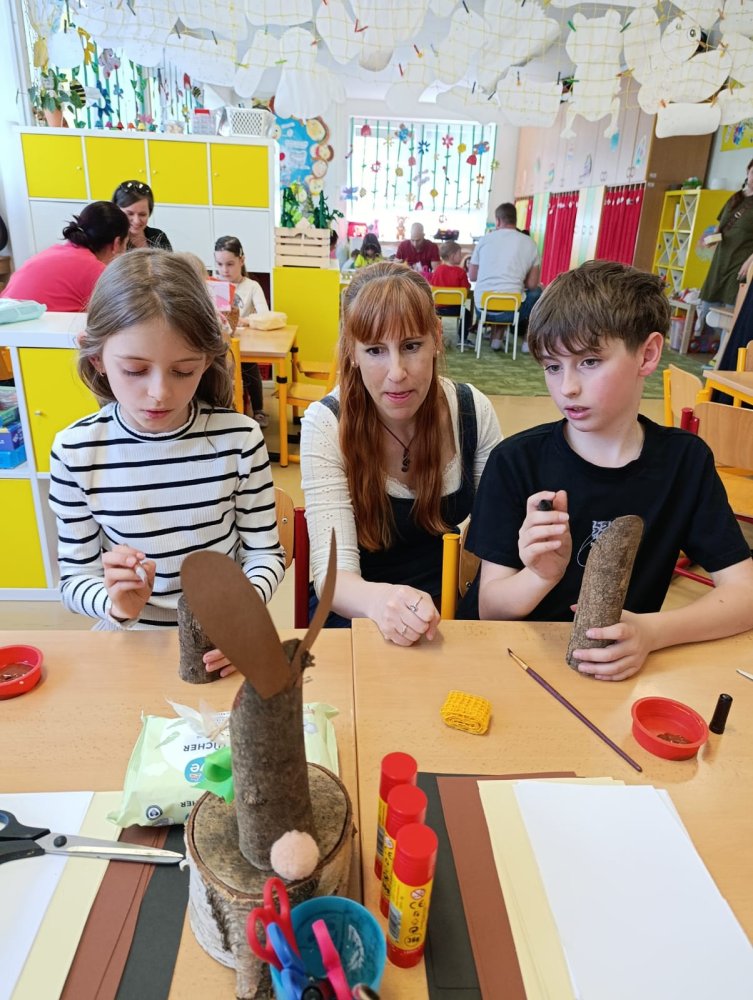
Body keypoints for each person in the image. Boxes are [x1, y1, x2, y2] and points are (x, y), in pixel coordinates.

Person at [467, 260, 753, 681]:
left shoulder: (684, 462)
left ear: (647, 354)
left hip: (616, 674)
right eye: (552, 367)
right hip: (516, 664)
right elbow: (490, 610)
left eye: (589, 361)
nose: (567, 388)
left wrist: (652, 632)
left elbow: (745, 592)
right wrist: (540, 576)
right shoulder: (516, 461)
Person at [48, 250, 284, 676]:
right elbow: (75, 579)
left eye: (182, 371)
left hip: (222, 642)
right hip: (132, 644)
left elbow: (265, 554)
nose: (159, 393)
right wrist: (115, 603)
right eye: (135, 370)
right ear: (96, 357)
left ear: (206, 361)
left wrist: (240, 616)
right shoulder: (77, 452)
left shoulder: (239, 440)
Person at [300, 261, 501, 644]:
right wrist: (381, 602)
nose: (396, 373)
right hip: (358, 608)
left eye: (411, 346)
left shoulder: (472, 411)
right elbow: (333, 576)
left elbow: (495, 542)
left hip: (450, 607)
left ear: (436, 337)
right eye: (376, 350)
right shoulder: (326, 424)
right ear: (352, 351)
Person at [1, 202, 128, 311]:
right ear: (117, 243)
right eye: (125, 244)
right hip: (31, 330)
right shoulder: (96, 271)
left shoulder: (52, 252)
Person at [213, 235, 270, 428]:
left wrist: (241, 321)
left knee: (249, 368)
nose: (224, 270)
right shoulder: (214, 285)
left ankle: (258, 409)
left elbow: (265, 315)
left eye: (230, 264)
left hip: (245, 343)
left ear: (241, 260)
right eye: (219, 264)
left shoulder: (251, 286)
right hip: (222, 343)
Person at [468, 203, 541, 351]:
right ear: (515, 219)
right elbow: (532, 284)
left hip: (483, 308)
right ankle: (527, 342)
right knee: (536, 293)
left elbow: (473, 276)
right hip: (511, 311)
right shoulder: (530, 243)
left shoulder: (484, 240)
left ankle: (496, 339)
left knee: (501, 293)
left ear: (498, 221)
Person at [696, 160, 753, 341]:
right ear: (748, 172)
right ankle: (706, 344)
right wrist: (710, 238)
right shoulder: (735, 198)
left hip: (740, 263)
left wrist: (750, 261)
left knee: (731, 309)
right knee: (707, 305)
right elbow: (719, 226)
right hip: (720, 260)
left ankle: (722, 351)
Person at [112, 180, 172, 251]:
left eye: (142, 214)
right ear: (116, 211)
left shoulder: (158, 236)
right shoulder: (110, 242)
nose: (136, 221)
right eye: (130, 214)